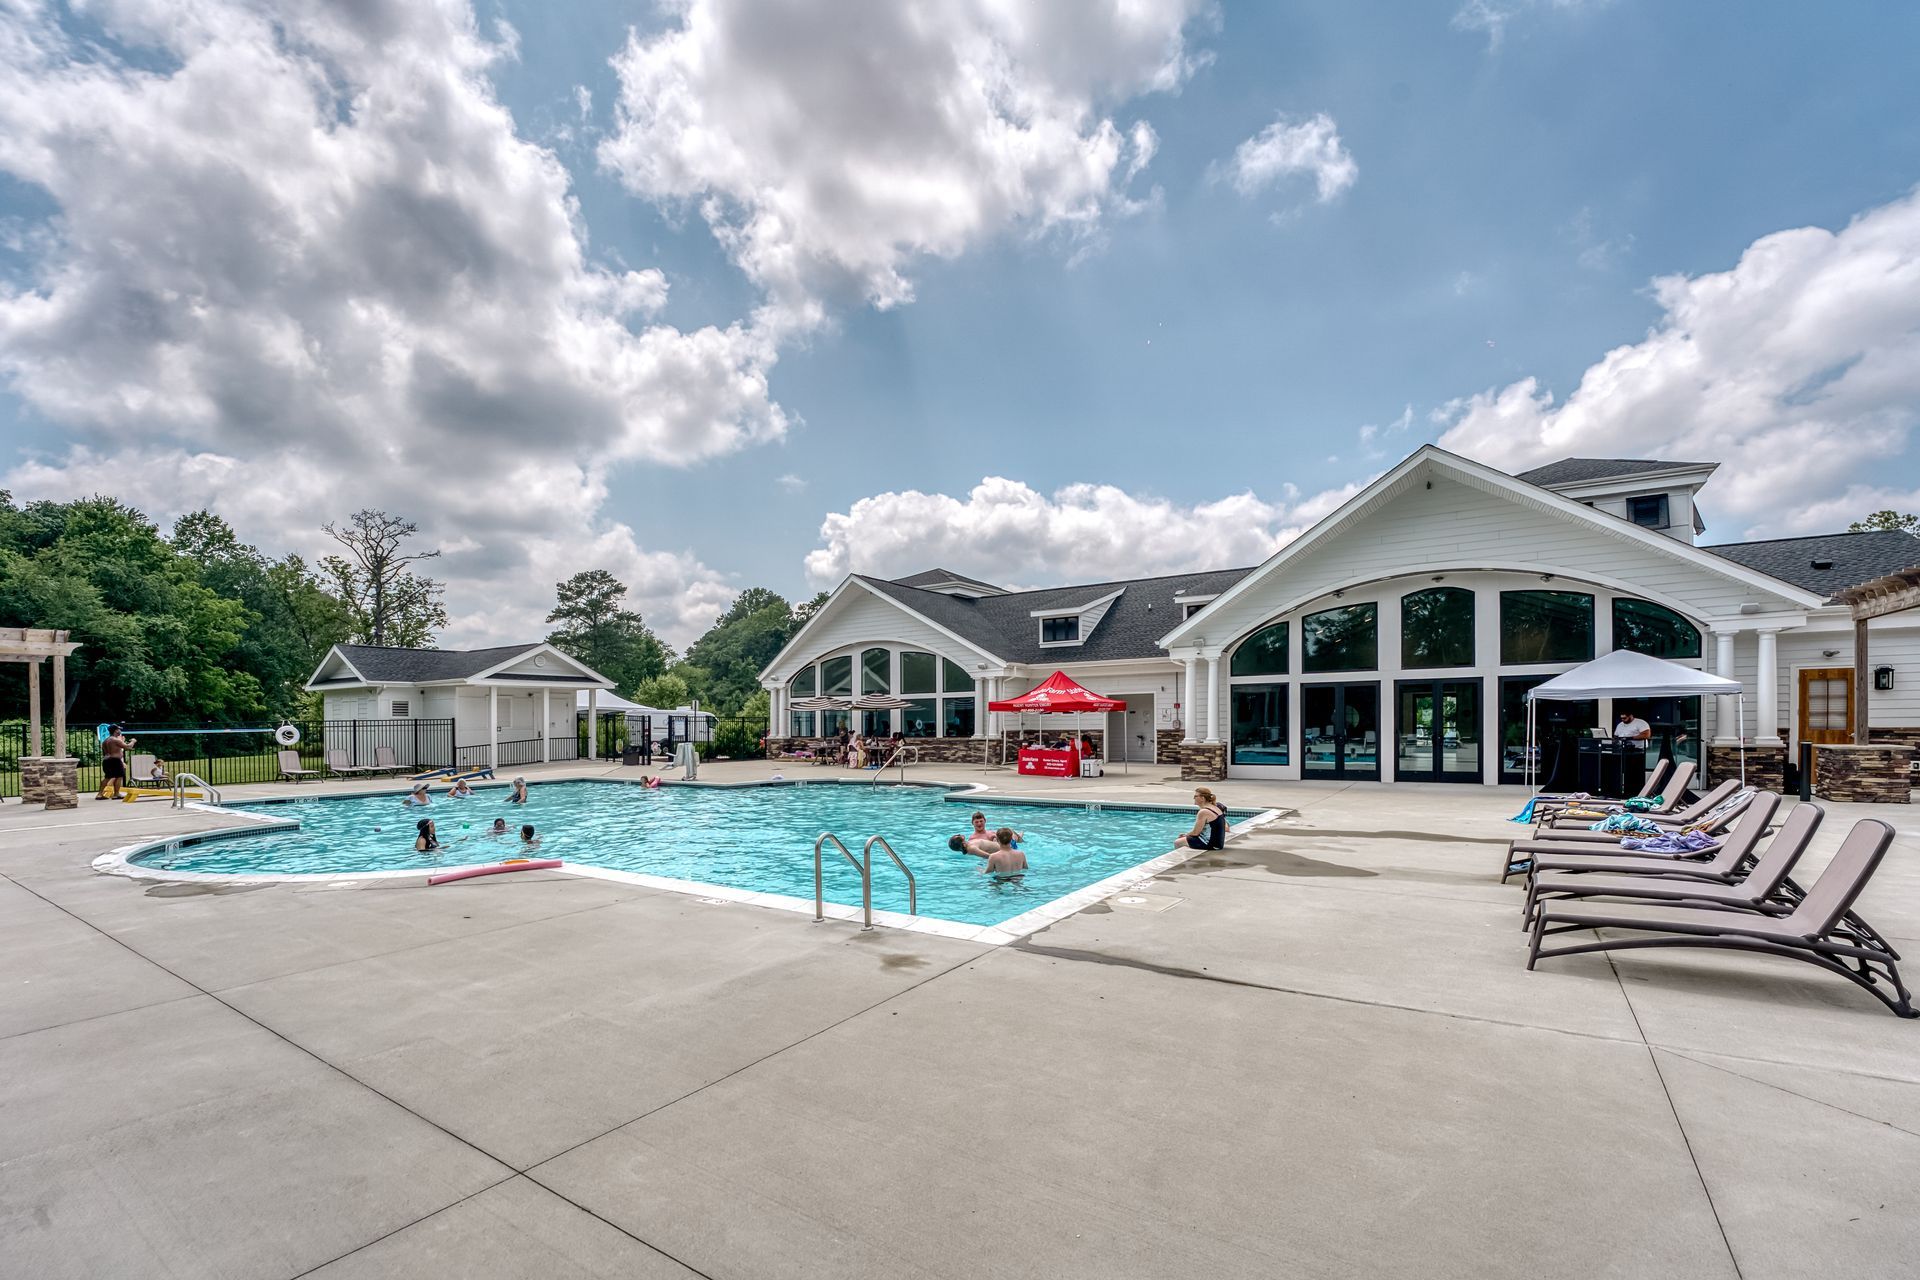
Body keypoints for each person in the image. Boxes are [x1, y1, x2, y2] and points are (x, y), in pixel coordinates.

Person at [1174, 787, 1229, 852]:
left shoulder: (1204, 812)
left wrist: (1186, 834)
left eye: (1195, 796)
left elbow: (1196, 833)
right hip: (1218, 844)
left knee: (1177, 842)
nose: (1193, 798)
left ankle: (1184, 861)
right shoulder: (1215, 808)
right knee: (1185, 839)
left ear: (1202, 798)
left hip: (1210, 844)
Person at [96, 724, 134, 800]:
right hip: (115, 760)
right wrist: (133, 741)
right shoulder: (115, 740)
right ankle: (116, 794)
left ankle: (99, 794)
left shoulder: (105, 741)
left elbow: (107, 752)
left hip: (106, 760)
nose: (120, 731)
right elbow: (128, 747)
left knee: (107, 777)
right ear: (116, 730)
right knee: (119, 776)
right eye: (119, 729)